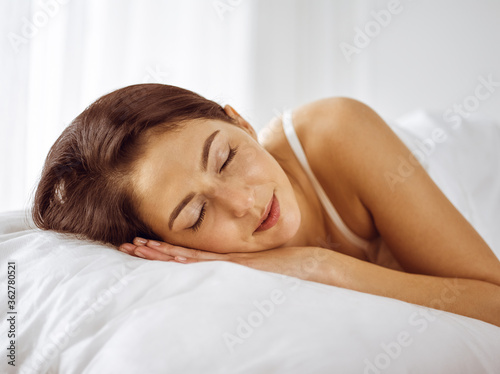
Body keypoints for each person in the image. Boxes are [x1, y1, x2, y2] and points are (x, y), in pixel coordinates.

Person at [33, 83, 500, 327]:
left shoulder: (337, 131)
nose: (244, 202)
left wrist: (326, 267)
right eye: (195, 215)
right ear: (163, 244)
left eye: (227, 156)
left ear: (240, 122)